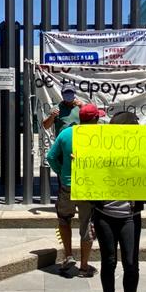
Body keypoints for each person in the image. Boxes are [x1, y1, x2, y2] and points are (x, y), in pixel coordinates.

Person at [91, 111, 146, 292]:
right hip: (104, 214)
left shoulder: (141, 152)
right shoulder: (100, 151)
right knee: (109, 262)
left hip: (130, 217)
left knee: (132, 264)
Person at [45, 103, 103, 277]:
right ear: (95, 119)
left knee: (64, 219)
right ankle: (84, 267)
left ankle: (68, 255)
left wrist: (62, 173)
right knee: (87, 225)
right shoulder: (101, 138)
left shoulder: (66, 133)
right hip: (88, 187)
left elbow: (51, 157)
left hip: (67, 186)